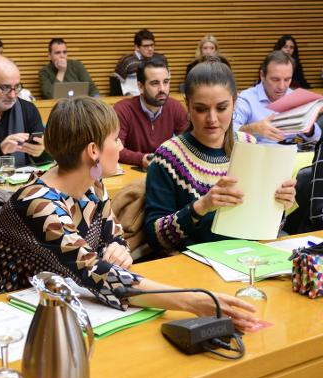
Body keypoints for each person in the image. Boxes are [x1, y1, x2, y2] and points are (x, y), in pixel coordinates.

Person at [0, 96, 259, 331]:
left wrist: (118, 248)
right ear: (93, 151)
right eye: (116, 139)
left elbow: (115, 238)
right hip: (8, 316)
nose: (122, 147)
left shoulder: (92, 184)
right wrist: (194, 300)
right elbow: (98, 274)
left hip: (65, 300)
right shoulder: (38, 204)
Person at [143, 59, 297, 252]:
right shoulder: (168, 156)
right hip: (195, 263)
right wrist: (201, 206)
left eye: (222, 108)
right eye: (201, 109)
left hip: (248, 254)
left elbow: (265, 226)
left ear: (235, 103)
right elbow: (154, 237)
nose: (212, 119)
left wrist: (279, 206)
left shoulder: (249, 144)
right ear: (187, 106)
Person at [114, 56, 188, 168]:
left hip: (164, 173)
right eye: (155, 83)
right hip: (131, 174)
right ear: (140, 86)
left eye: (166, 82)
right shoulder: (123, 110)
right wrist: (141, 159)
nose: (162, 89)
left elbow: (190, 146)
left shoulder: (175, 107)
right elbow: (115, 150)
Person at [233, 50, 321, 145]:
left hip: (292, 154)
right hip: (258, 154)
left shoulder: (295, 97)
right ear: (262, 76)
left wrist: (309, 127)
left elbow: (317, 138)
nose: (282, 86)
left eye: (287, 79)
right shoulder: (247, 98)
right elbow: (229, 132)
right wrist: (253, 128)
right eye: (275, 79)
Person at [114, 29, 167, 96]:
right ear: (137, 47)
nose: (150, 48)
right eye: (146, 46)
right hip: (132, 99)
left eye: (152, 45)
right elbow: (116, 86)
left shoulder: (161, 59)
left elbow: (166, 81)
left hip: (155, 98)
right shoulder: (127, 60)